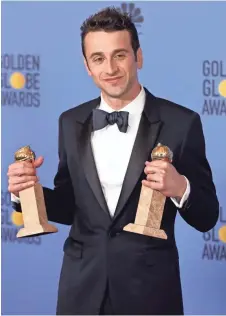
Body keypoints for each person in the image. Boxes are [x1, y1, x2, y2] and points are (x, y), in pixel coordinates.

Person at [7, 7, 219, 315]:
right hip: (81, 290)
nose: (110, 68)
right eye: (98, 58)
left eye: (120, 55)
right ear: (87, 66)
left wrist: (180, 188)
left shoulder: (181, 123)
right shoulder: (70, 122)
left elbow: (208, 217)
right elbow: (69, 207)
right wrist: (24, 193)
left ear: (138, 57)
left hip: (149, 292)